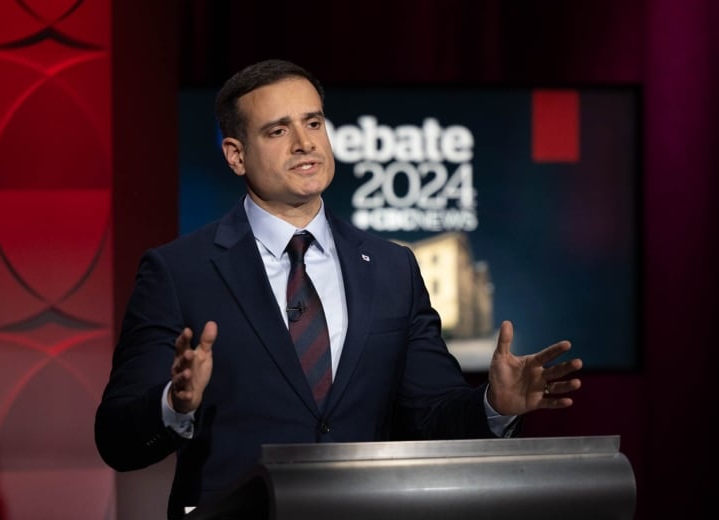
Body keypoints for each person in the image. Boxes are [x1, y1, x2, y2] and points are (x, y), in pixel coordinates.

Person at [94, 58, 582, 520]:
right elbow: (116, 437)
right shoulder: (179, 271)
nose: (305, 143)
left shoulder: (393, 267)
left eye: (313, 123)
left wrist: (493, 405)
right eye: (278, 130)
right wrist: (175, 403)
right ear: (236, 155)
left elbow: (430, 414)